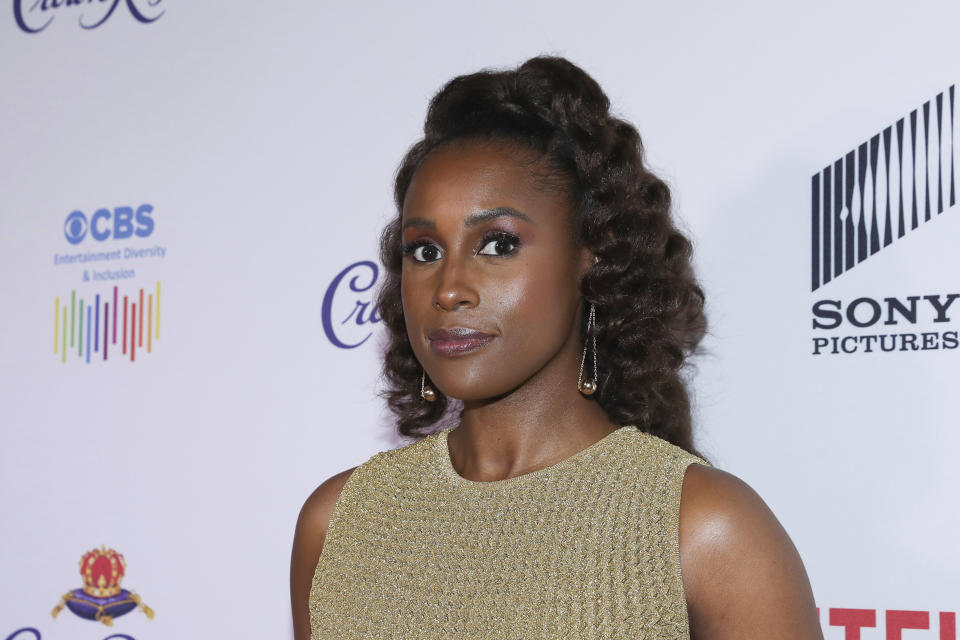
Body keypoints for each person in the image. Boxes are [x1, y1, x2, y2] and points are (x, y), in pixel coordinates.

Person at [290, 56, 823, 639]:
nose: (447, 289)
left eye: (497, 244)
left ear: (592, 254)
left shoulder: (699, 527)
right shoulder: (340, 521)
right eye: (424, 250)